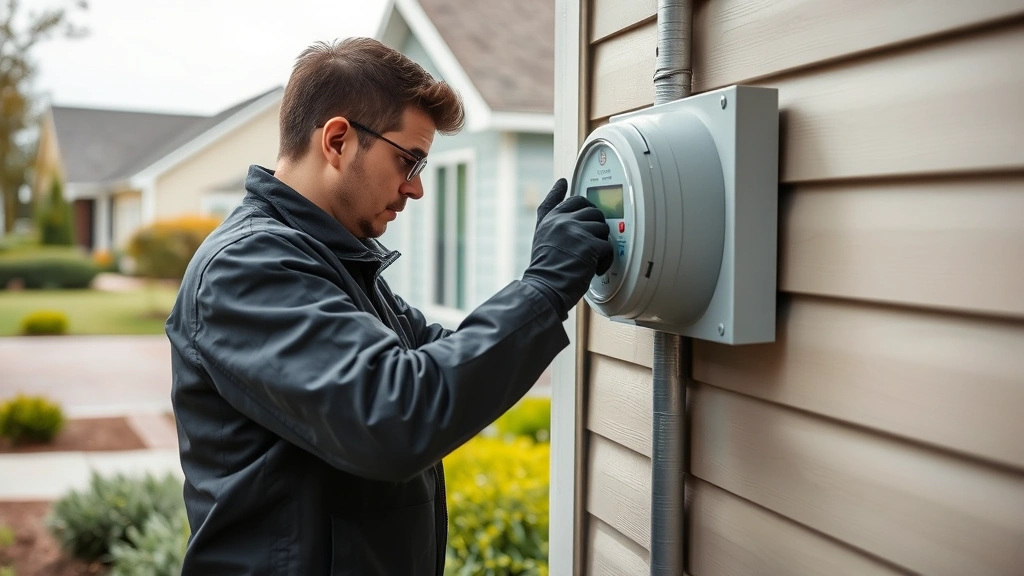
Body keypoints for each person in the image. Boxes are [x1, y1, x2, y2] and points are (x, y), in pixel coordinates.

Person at [165, 37, 612, 576]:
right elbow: (396, 414)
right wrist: (543, 287)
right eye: (409, 160)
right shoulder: (248, 269)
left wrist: (538, 283)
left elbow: (444, 361)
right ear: (337, 140)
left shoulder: (336, 264)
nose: (416, 188)